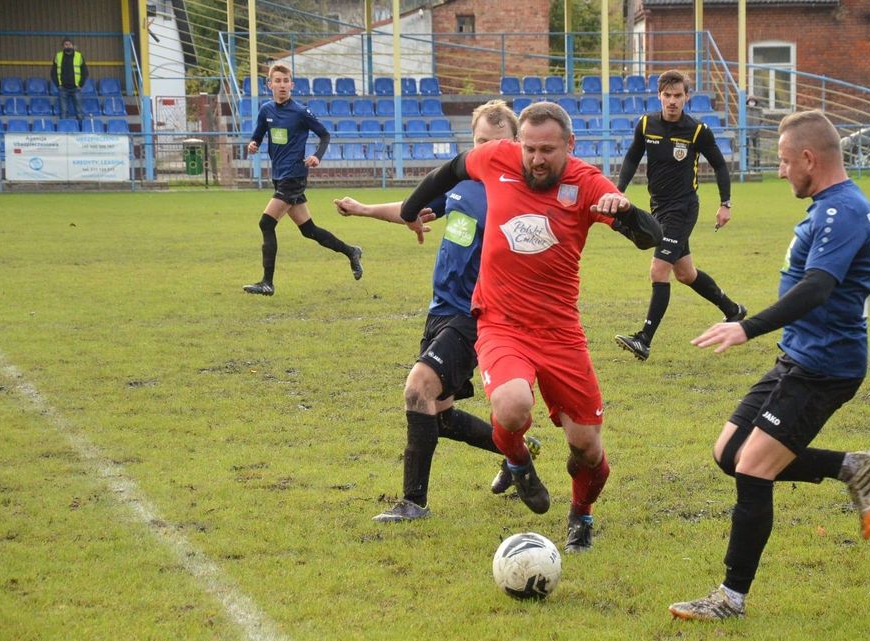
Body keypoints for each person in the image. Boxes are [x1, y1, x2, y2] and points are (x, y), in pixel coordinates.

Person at [398, 102, 662, 553]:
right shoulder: (497, 157)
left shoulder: (586, 183)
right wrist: (410, 208)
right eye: (530, 149)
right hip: (501, 322)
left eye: (548, 150)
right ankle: (518, 462)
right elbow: (450, 170)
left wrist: (628, 213)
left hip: (560, 332)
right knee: (512, 407)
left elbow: (649, 238)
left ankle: (581, 514)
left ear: (570, 146)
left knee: (587, 451)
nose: (537, 159)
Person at [668, 110, 870, 621]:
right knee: (728, 453)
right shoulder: (827, 206)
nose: (781, 171)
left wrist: (746, 326)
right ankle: (849, 466)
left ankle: (730, 599)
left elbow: (817, 287)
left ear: (810, 158)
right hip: (799, 357)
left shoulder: (843, 212)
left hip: (826, 366)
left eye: (786, 162)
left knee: (752, 469)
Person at [332, 100, 540, 522]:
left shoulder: (516, 192)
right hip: (441, 308)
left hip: (476, 314)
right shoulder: (463, 182)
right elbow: (415, 208)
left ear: (515, 144)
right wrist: (364, 210)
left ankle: (414, 502)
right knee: (440, 418)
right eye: (479, 142)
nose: (486, 150)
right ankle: (517, 452)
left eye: (496, 143)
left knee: (418, 388)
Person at [614, 69, 746, 362]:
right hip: (659, 207)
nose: (672, 101)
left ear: (687, 97)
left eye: (678, 95)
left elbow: (721, 167)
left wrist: (725, 204)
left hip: (683, 208)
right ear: (659, 96)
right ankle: (733, 310)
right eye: (667, 95)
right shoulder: (646, 124)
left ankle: (644, 340)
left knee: (658, 270)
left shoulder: (697, 130)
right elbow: (633, 156)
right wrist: (618, 189)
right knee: (686, 274)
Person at [242, 63, 361, 296]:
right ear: (270, 85)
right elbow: (257, 137)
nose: (282, 85)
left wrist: (317, 156)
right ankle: (351, 251)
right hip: (279, 176)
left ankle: (267, 282)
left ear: (292, 85)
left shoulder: (300, 112)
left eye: (286, 81)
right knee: (309, 230)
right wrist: (253, 145)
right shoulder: (266, 111)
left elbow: (325, 135)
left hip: (294, 176)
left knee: (266, 223)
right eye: (277, 81)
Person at [51, 37, 87, 123]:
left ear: (72, 45)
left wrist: (80, 85)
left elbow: (85, 71)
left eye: (69, 44)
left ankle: (81, 128)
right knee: (63, 111)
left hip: (76, 88)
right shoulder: (58, 56)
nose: (68, 46)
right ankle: (64, 129)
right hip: (63, 88)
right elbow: (53, 72)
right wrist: (58, 85)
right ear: (63, 46)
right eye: (66, 44)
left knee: (79, 111)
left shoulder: (79, 55)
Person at [745, 95, 763, 171]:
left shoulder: (759, 110)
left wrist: (759, 128)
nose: (751, 103)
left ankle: (757, 167)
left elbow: (762, 120)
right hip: (746, 133)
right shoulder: (745, 109)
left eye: (753, 101)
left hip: (756, 133)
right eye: (750, 101)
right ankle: (746, 167)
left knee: (757, 150)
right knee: (746, 150)